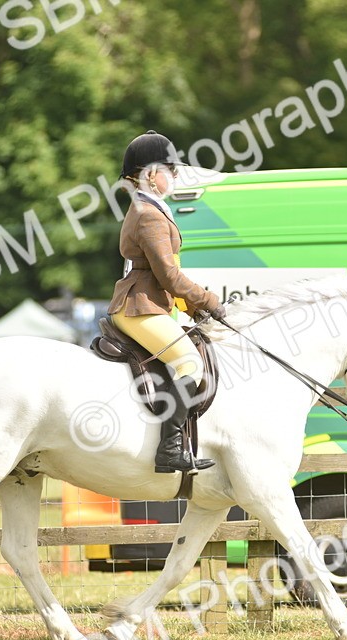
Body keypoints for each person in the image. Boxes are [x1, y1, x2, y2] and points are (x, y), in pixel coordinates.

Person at [106, 130, 227, 473]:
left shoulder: (153, 208)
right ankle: (170, 449)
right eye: (169, 169)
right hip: (138, 306)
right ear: (148, 174)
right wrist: (209, 300)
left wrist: (191, 306)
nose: (175, 175)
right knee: (190, 362)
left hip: (151, 302)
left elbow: (169, 277)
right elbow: (168, 276)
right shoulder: (148, 214)